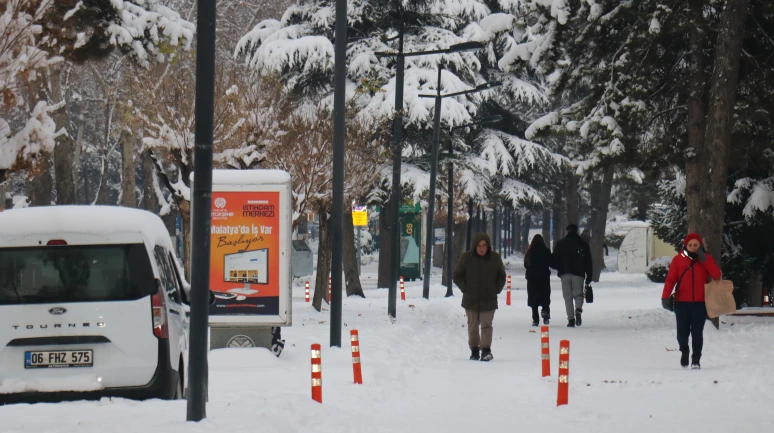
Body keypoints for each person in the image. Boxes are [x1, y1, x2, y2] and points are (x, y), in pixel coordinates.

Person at [661, 233, 721, 369]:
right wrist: (665, 296)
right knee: (682, 333)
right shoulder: (678, 259)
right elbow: (670, 279)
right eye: (690, 245)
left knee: (697, 333)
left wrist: (705, 260)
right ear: (685, 245)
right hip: (682, 303)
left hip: (700, 303)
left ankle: (696, 359)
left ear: (700, 246)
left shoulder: (706, 259)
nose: (693, 248)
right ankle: (684, 351)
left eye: (696, 245)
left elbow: (717, 275)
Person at [453, 232, 506, 362]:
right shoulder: (466, 258)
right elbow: (457, 275)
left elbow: (501, 275)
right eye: (479, 246)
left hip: (489, 300)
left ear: (488, 246)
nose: (481, 248)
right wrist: (465, 288)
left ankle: (486, 349)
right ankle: (474, 350)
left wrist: (496, 289)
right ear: (474, 246)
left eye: (484, 245)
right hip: (471, 299)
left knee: (486, 325)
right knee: (473, 326)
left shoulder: (495, 258)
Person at [552, 224, 593, 327]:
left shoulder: (561, 244)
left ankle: (571, 319)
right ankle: (578, 309)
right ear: (576, 231)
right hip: (579, 273)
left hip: (564, 273)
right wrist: (589, 276)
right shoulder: (583, 244)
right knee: (578, 294)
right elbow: (588, 261)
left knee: (567, 297)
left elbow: (554, 260)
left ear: (567, 231)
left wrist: (559, 268)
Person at [524, 234, 552, 326]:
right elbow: (551, 262)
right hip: (544, 277)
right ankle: (546, 313)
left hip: (532, 279)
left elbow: (526, 265)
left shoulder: (529, 252)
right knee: (545, 296)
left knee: (534, 298)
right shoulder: (546, 251)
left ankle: (535, 319)